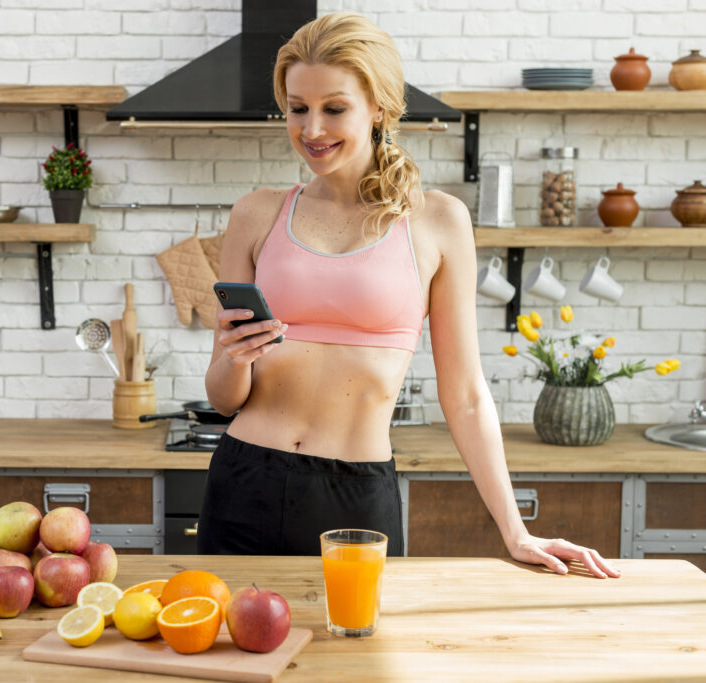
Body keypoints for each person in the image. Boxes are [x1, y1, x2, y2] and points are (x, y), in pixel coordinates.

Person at [198, 12, 620, 579]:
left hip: (354, 496)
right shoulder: (257, 213)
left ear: (378, 108)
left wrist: (515, 531)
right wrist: (232, 358)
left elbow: (465, 395)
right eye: (298, 108)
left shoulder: (438, 221)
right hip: (243, 479)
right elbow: (223, 399)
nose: (312, 128)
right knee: (221, 636)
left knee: (356, 640)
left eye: (334, 108)